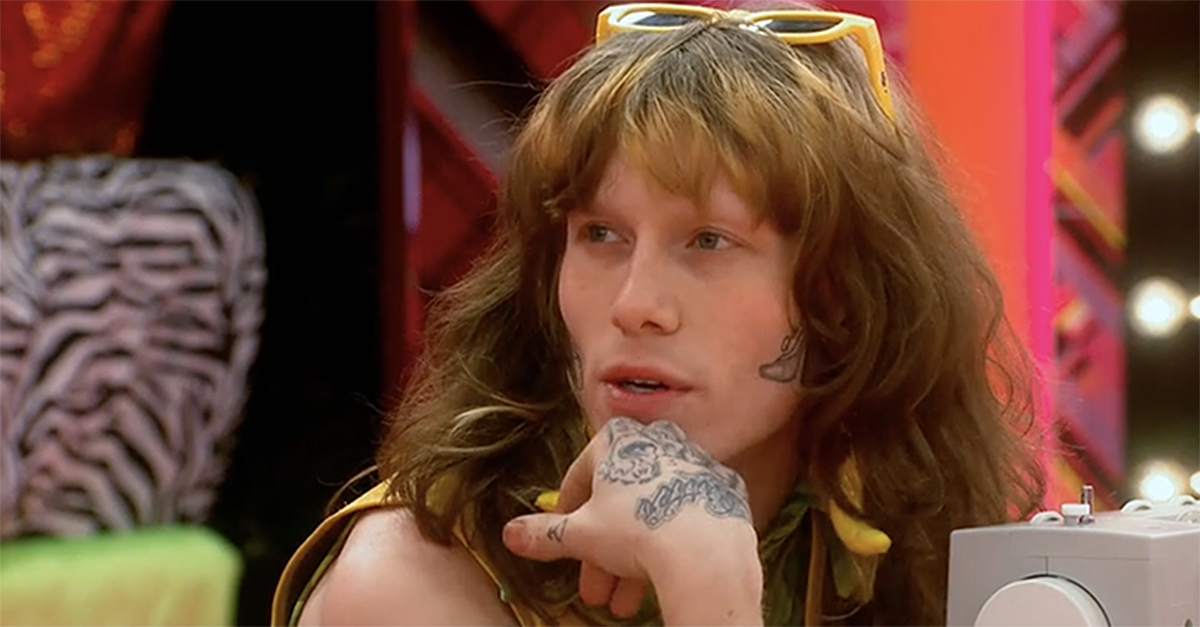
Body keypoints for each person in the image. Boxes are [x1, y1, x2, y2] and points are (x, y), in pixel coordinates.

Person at [272, 3, 1046, 626]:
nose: (635, 304)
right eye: (600, 235)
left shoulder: (898, 533)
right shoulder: (411, 577)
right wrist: (711, 595)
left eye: (708, 241)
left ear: (846, 293)